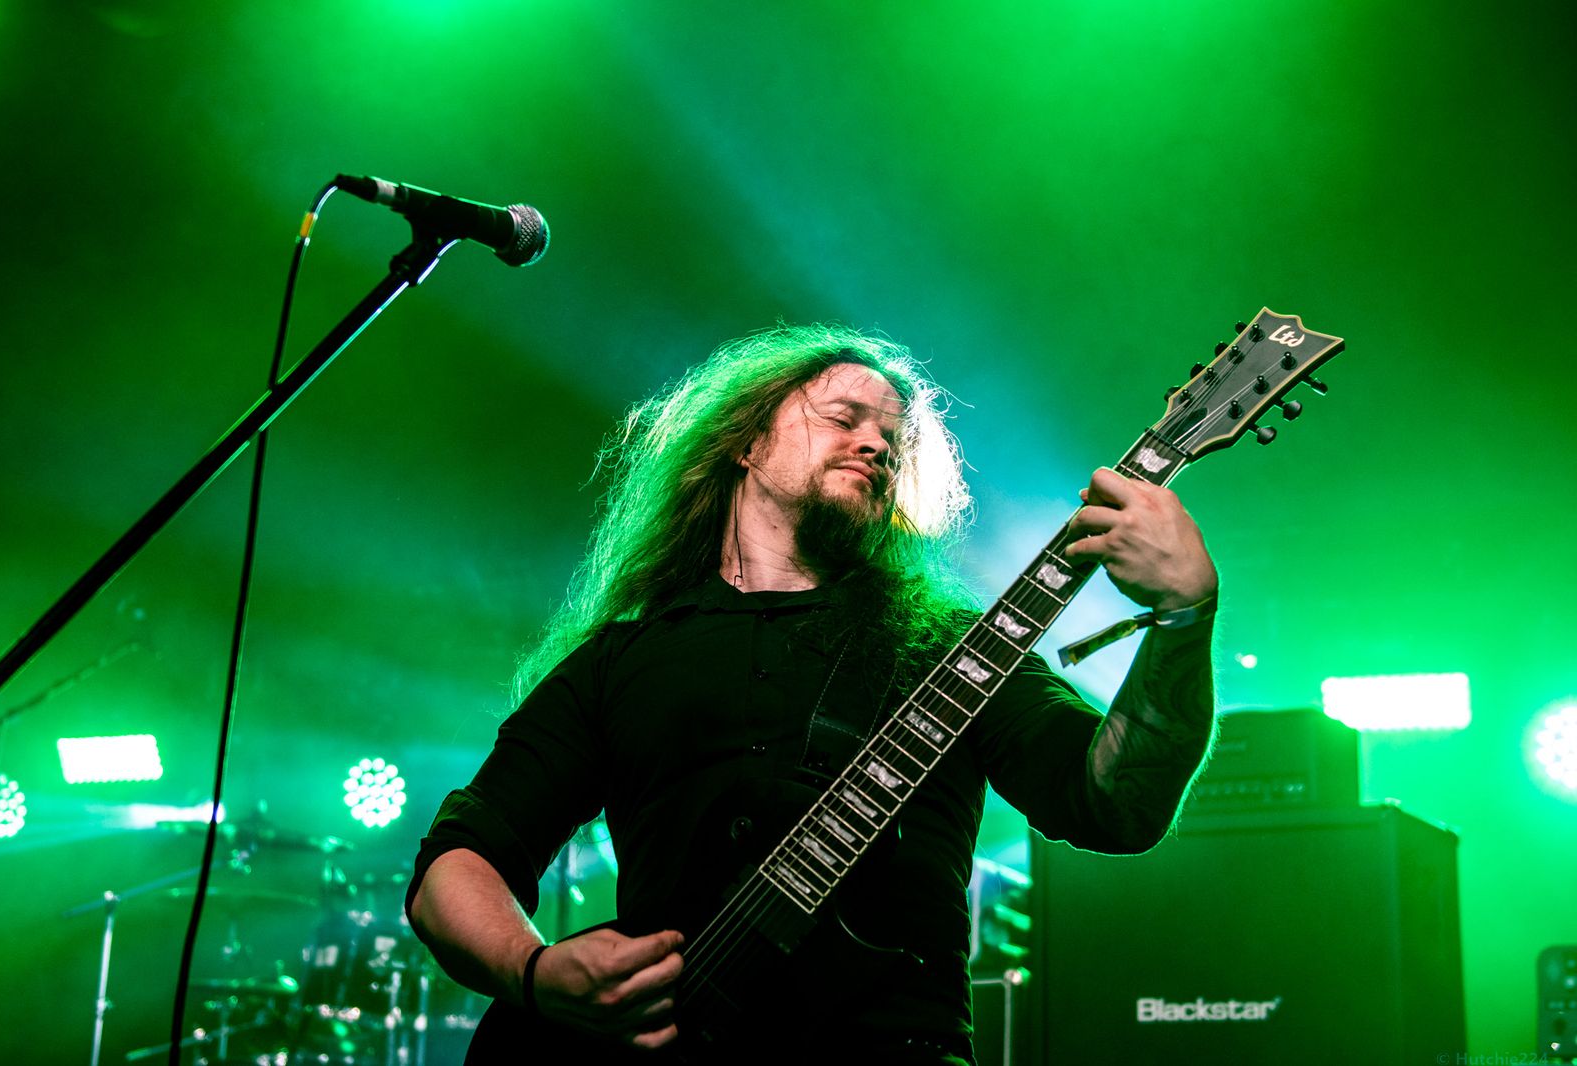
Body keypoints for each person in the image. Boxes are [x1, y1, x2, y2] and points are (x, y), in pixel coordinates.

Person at [406, 325, 1218, 1064]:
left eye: (893, 438)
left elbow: (1118, 807)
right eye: (843, 418)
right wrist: (533, 972)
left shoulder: (952, 648)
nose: (876, 443)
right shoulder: (621, 660)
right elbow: (463, 858)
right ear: (745, 442)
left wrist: (1183, 620)